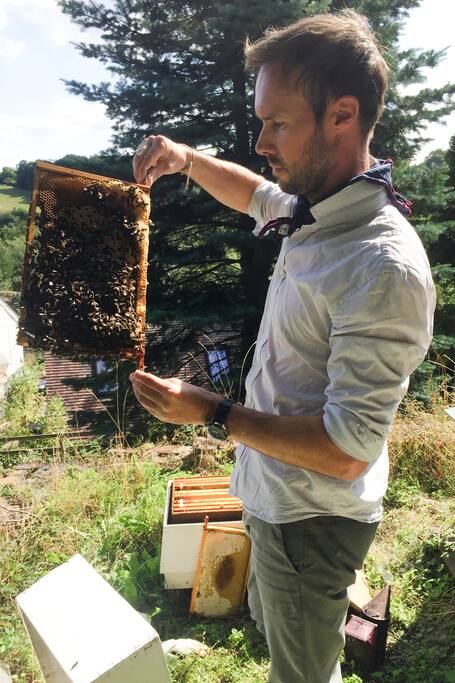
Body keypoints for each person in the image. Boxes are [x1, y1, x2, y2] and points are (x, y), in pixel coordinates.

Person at [130, 10, 435, 683]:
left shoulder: (379, 266)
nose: (261, 141)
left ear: (342, 115)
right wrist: (185, 160)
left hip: (311, 519)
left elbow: (347, 451)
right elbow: (253, 193)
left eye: (278, 123)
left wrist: (211, 412)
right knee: (281, 634)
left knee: (301, 674)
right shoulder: (313, 207)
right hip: (275, 494)